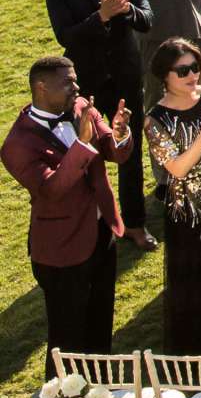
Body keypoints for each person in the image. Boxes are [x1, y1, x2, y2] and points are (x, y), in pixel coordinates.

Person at [6, 55, 134, 362]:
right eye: (67, 82)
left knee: (100, 323)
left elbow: (113, 153)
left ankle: (100, 394)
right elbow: (52, 190)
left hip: (102, 233)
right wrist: (81, 143)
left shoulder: (80, 108)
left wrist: (119, 133)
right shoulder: (17, 145)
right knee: (66, 338)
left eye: (75, 79)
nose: (76, 87)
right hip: (62, 249)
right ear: (41, 88)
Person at [47, 0, 153, 247]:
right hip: (87, 84)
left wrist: (126, 9)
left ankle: (135, 224)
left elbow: (148, 20)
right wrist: (101, 16)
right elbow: (67, 37)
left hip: (125, 78)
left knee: (129, 150)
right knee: (87, 152)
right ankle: (92, 225)